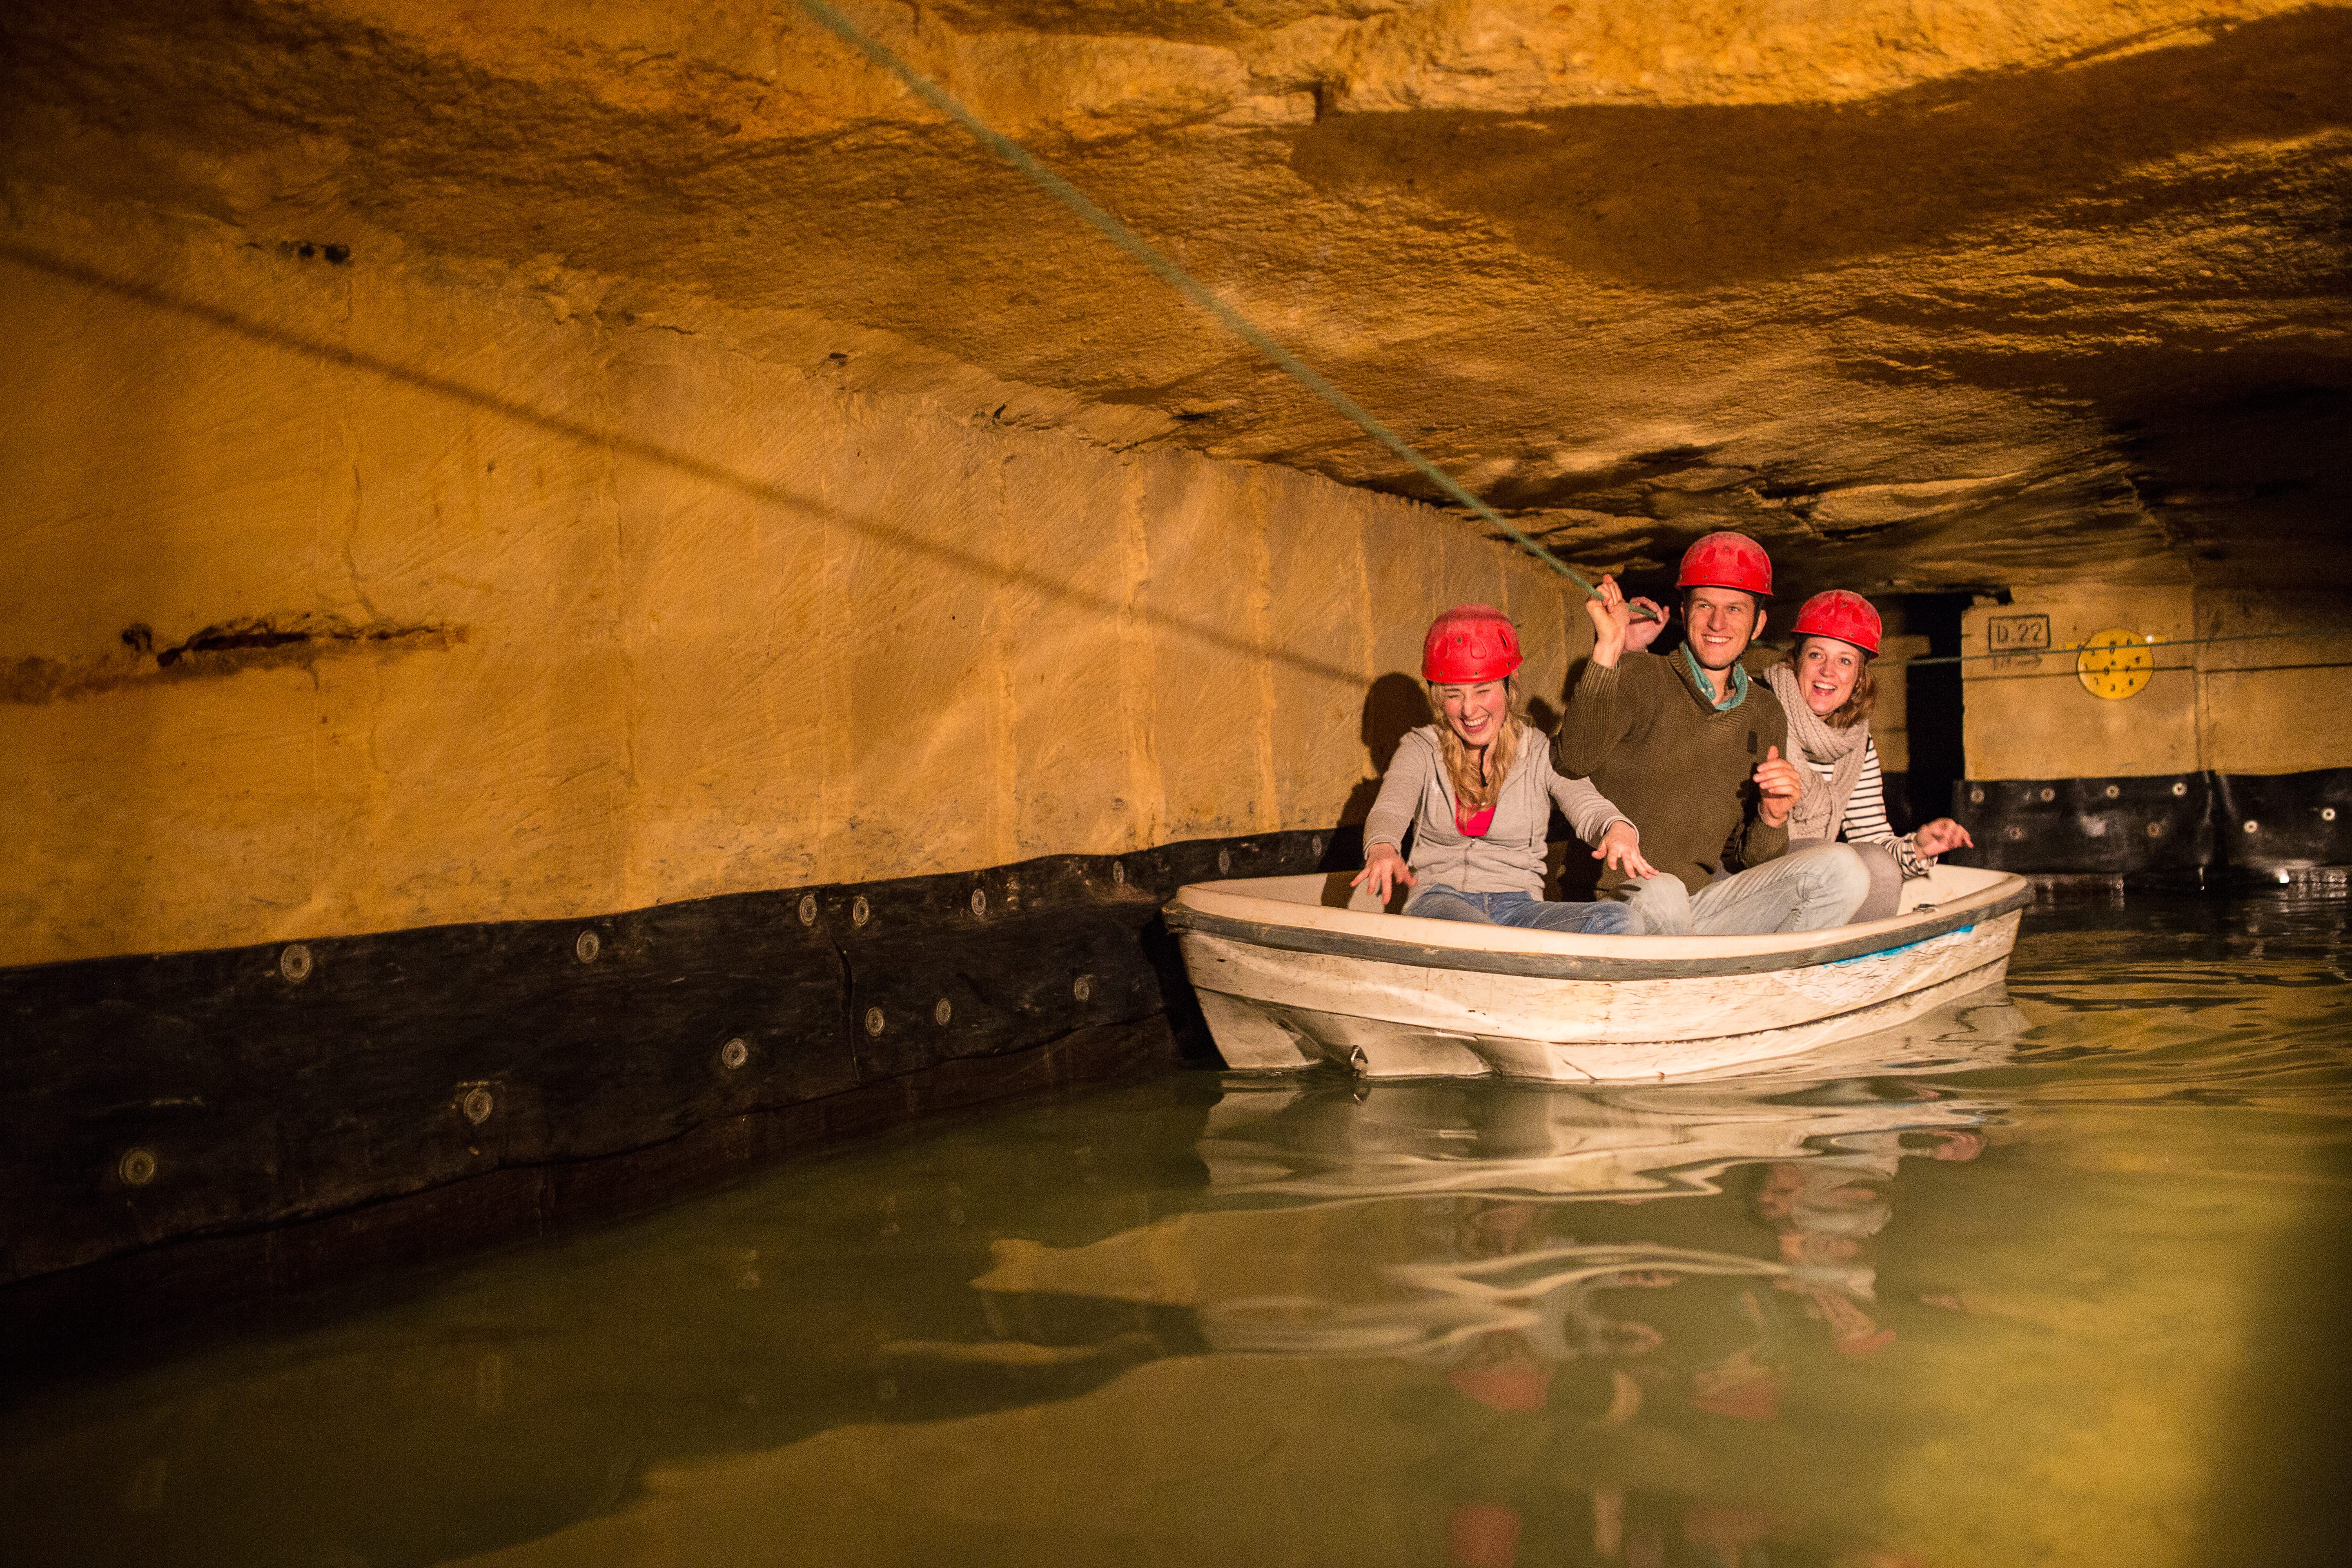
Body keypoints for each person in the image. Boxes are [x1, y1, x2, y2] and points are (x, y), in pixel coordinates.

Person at [1552, 532, 1869, 936]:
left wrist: (1773, 815)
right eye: (1705, 605)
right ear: (1685, 612)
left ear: (1758, 624)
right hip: (1614, 903)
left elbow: (1753, 859)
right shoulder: (1639, 674)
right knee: (1664, 890)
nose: (1718, 623)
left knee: (1844, 869)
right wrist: (1609, 648)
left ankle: (1771, 987)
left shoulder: (1766, 711)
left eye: (1735, 609)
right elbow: (1572, 761)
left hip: (1697, 906)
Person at [1355, 604, 1644, 934]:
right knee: (1483, 937)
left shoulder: (1537, 750)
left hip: (1519, 907)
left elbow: (1584, 801)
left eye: (1483, 691)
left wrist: (1616, 828)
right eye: (1454, 695)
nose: (1468, 709)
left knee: (1621, 920)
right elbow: (1391, 808)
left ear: (1509, 686)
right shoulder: (1421, 748)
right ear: (1438, 698)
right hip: (1439, 901)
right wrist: (1382, 848)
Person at [1763, 590, 1976, 921]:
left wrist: (1918, 848)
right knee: (1838, 861)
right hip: (1744, 869)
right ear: (1796, 661)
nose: (1828, 672)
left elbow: (1872, 838)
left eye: (1844, 661)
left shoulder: (1856, 743)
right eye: (1817, 655)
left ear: (1859, 677)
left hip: (1810, 871)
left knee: (1877, 865)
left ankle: (1850, 967)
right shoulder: (1757, 709)